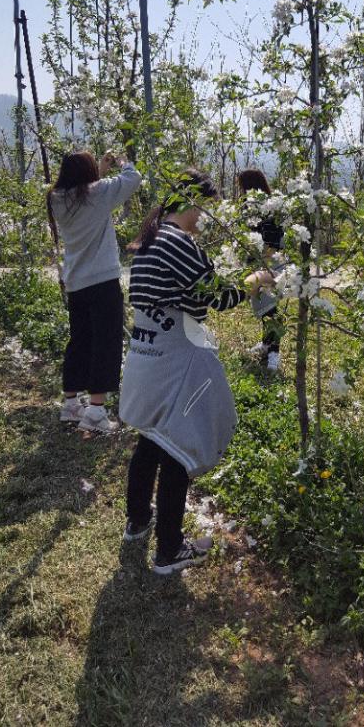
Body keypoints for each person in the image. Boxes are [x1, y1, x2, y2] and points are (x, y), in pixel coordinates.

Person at [119, 168, 270, 574]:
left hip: (145, 353)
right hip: (174, 359)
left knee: (150, 437)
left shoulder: (150, 239)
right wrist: (256, 279)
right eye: (206, 208)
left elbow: (185, 295)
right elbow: (219, 298)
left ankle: (137, 520)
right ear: (193, 201)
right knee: (177, 446)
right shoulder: (179, 241)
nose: (206, 218)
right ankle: (169, 550)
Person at [48, 150, 142, 434]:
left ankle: (71, 403)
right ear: (88, 174)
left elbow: (84, 196)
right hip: (102, 281)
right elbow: (133, 178)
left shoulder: (56, 198)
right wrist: (122, 161)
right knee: (106, 341)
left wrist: (98, 170)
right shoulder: (98, 193)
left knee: (80, 340)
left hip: (76, 283)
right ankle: (97, 411)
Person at [238, 168, 285, 372]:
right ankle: (266, 345)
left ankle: (274, 353)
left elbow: (272, 242)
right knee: (263, 306)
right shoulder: (250, 207)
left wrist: (262, 269)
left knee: (270, 308)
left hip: (269, 262)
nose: (241, 191)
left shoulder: (268, 208)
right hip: (258, 263)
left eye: (242, 187)